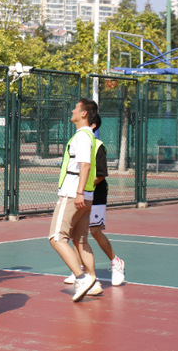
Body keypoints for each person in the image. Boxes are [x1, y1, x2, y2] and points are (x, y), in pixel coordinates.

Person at [63, 113, 125, 293]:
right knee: (76, 234)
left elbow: (101, 174)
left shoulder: (97, 146)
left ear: (93, 125)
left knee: (95, 231)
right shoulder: (75, 141)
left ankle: (116, 262)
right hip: (78, 193)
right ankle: (79, 270)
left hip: (95, 194)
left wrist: (84, 187)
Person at [48, 97, 98, 302]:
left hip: (73, 194)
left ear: (84, 113)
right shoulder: (86, 136)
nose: (72, 111)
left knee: (56, 238)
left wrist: (78, 193)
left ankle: (81, 277)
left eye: (76, 108)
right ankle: (93, 281)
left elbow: (85, 165)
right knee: (80, 239)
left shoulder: (82, 137)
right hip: (85, 195)